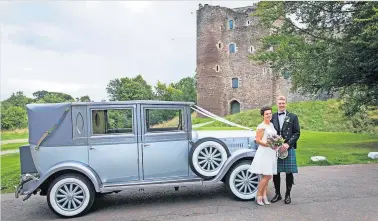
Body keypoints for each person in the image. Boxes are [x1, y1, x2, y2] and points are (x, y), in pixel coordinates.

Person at [270, 95, 301, 204]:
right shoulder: (272, 117)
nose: (281, 105)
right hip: (276, 148)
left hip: (288, 147)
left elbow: (297, 133)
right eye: (280, 103)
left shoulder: (293, 117)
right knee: (276, 172)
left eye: (283, 103)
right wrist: (274, 144)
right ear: (277, 104)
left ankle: (288, 195)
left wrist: (288, 144)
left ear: (286, 104)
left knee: (289, 172)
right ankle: (278, 194)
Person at [247, 106, 278, 206]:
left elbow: (274, 137)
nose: (269, 115)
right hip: (264, 152)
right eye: (266, 114)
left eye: (270, 113)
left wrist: (277, 143)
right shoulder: (261, 126)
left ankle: (264, 197)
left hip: (271, 152)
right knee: (268, 175)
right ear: (263, 115)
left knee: (266, 175)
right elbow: (258, 140)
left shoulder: (272, 125)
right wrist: (269, 144)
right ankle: (259, 195)